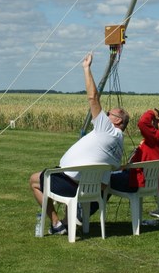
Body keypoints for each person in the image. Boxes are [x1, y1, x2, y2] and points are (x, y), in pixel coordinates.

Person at [29, 53, 129, 235]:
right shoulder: (119, 140)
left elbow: (93, 98)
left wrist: (86, 68)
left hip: (73, 184)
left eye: (109, 114)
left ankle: (56, 223)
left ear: (116, 121)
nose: (105, 115)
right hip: (88, 188)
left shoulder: (107, 130)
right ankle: (70, 220)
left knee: (35, 180)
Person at [109, 108, 159, 194]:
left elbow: (142, 123)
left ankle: (91, 207)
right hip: (146, 182)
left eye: (157, 119)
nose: (154, 121)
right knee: (107, 179)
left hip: (135, 181)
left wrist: (151, 112)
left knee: (101, 179)